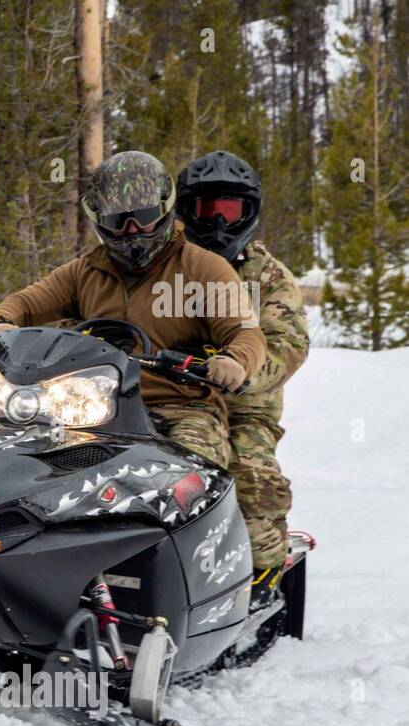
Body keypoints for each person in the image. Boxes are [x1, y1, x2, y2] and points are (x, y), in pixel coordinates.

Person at [0, 150, 267, 475]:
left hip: (181, 409)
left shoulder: (204, 267)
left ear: (164, 209)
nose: (132, 231)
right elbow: (26, 303)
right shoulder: (84, 272)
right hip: (90, 407)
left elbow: (246, 332)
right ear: (99, 220)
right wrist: (1, 326)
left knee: (182, 475)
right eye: (119, 221)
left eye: (143, 217)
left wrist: (235, 361)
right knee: (27, 468)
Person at [177, 150, 309, 607]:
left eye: (228, 211)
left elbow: (288, 346)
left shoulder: (269, 277)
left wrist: (240, 369)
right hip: (166, 398)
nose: (216, 222)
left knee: (251, 485)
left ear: (249, 213)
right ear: (184, 211)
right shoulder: (162, 263)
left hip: (242, 410)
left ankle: (263, 577)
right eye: (205, 209)